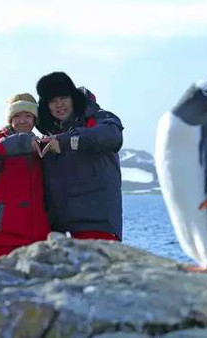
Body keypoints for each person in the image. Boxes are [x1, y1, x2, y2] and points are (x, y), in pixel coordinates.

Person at [35, 71, 124, 241]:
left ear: (73, 99)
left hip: (98, 225)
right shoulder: (47, 138)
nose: (59, 105)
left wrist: (66, 142)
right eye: (52, 101)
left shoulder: (99, 120)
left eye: (63, 98)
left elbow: (112, 137)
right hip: (59, 230)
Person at [0, 93, 51, 261]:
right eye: (17, 115)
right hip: (3, 239)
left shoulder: (41, 145)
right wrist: (21, 142)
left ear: (35, 120)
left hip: (39, 239)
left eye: (28, 116)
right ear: (9, 119)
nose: (23, 120)